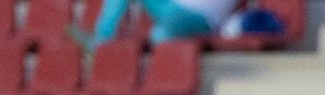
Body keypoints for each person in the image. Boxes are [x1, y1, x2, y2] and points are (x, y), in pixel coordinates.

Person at [91, 0, 237, 42]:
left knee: (160, 35)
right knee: (159, 36)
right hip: (208, 23)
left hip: (184, 13)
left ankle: (101, 40)